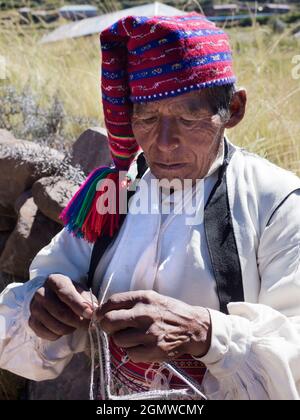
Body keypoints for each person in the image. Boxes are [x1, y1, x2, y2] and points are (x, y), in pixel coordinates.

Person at [0, 13, 300, 400]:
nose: (163, 142)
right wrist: (41, 307)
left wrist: (206, 334)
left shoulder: (276, 203)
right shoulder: (115, 194)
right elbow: (21, 326)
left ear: (234, 109)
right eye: (145, 117)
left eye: (189, 116)